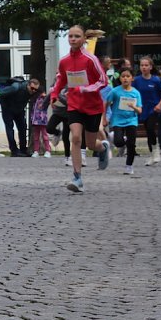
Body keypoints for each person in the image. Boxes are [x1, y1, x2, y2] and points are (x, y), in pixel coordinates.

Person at [50, 25, 110, 194]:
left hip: (92, 106)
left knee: (91, 144)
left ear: (84, 39)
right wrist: (54, 95)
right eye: (70, 36)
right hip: (74, 104)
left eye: (76, 36)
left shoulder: (90, 59)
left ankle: (103, 148)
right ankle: (77, 178)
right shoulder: (64, 60)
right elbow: (61, 79)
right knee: (75, 137)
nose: (73, 39)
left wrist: (87, 89)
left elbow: (103, 80)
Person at [106, 68, 143, 175]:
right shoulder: (115, 91)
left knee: (131, 144)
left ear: (132, 78)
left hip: (131, 121)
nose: (125, 78)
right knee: (118, 142)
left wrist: (133, 107)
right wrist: (105, 117)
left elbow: (140, 110)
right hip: (117, 120)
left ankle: (129, 166)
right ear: (120, 78)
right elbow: (106, 103)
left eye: (128, 76)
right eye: (123, 76)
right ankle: (118, 139)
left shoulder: (136, 93)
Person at [133, 56, 161, 166]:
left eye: (146, 65)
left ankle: (156, 152)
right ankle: (152, 154)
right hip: (142, 109)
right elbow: (132, 93)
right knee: (148, 130)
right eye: (142, 65)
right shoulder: (137, 80)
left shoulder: (156, 80)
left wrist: (160, 105)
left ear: (151, 67)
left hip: (154, 109)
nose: (144, 67)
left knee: (151, 128)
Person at [0, 76, 39, 156]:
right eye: (32, 88)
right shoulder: (16, 87)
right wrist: (4, 106)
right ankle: (14, 150)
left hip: (19, 109)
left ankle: (23, 149)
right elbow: (1, 93)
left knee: (23, 128)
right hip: (8, 109)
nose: (33, 91)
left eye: (36, 89)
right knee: (10, 128)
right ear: (28, 85)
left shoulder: (32, 92)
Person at [30, 84, 51, 158]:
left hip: (42, 119)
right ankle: (36, 150)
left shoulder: (44, 98)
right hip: (35, 120)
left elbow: (48, 101)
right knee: (36, 136)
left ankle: (48, 150)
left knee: (45, 135)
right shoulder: (34, 99)